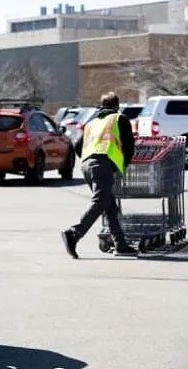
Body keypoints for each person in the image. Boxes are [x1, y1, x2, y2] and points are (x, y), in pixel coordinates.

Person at [61, 92, 138, 258]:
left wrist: (89, 157)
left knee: (109, 206)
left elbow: (77, 144)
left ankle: (121, 244)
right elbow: (129, 146)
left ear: (102, 105)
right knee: (101, 201)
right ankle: (74, 233)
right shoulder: (119, 119)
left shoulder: (92, 122)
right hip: (102, 165)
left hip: (88, 165)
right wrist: (121, 165)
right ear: (117, 106)